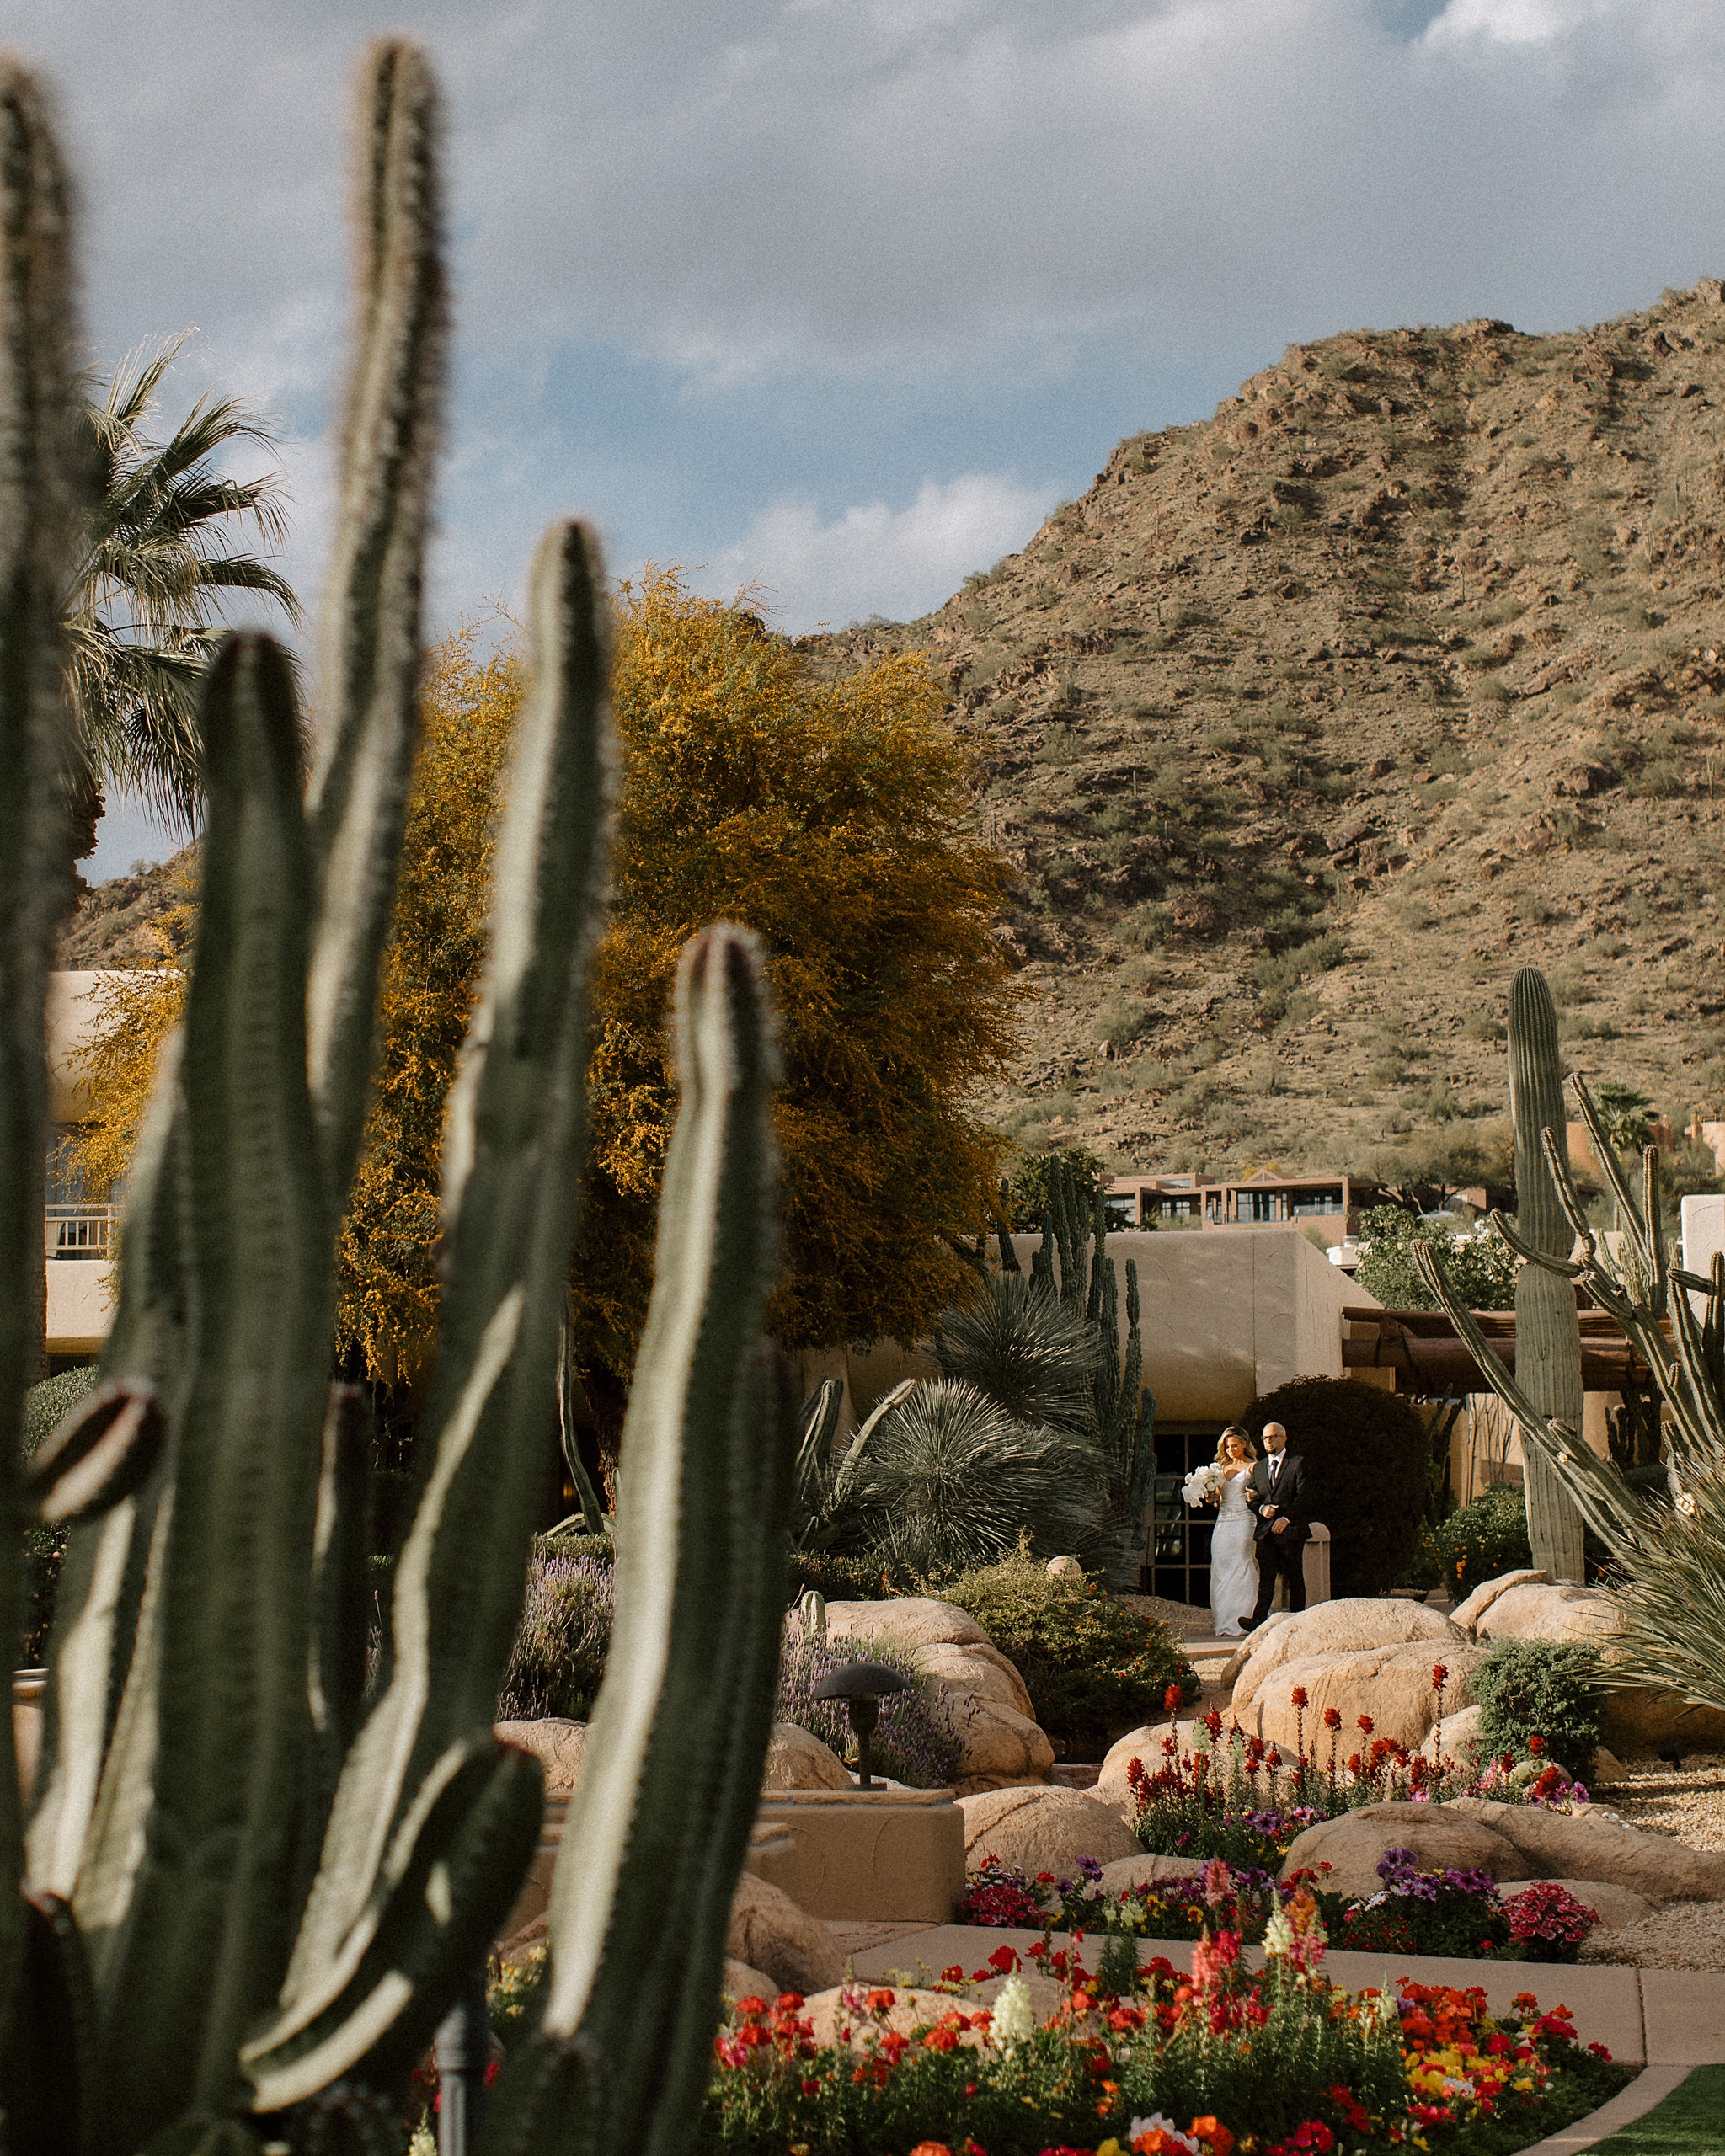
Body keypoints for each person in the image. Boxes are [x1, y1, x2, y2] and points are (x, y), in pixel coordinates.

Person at [1241, 1420, 1310, 1629]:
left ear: (1284, 1438)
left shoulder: (1297, 1463)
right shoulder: (1259, 1468)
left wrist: (1286, 1518)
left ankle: (1297, 1620)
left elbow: (1305, 1497)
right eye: (1265, 1438)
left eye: (1273, 1437)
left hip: (1290, 1531)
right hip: (1265, 1532)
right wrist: (1261, 1509)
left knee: (1294, 1576)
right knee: (1266, 1579)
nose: (1268, 1441)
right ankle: (1258, 1620)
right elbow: (1251, 1497)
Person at [1204, 1425, 1262, 1638]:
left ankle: (1244, 1619)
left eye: (1234, 1445)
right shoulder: (1220, 1469)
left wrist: (1254, 1497)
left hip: (1244, 1520)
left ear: (1244, 1444)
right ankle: (1224, 1621)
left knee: (1241, 1563)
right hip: (1224, 1521)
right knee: (1221, 1566)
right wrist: (1210, 1496)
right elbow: (1216, 1500)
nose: (1231, 1450)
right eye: (1227, 1447)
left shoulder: (1254, 1467)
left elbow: (1261, 1493)